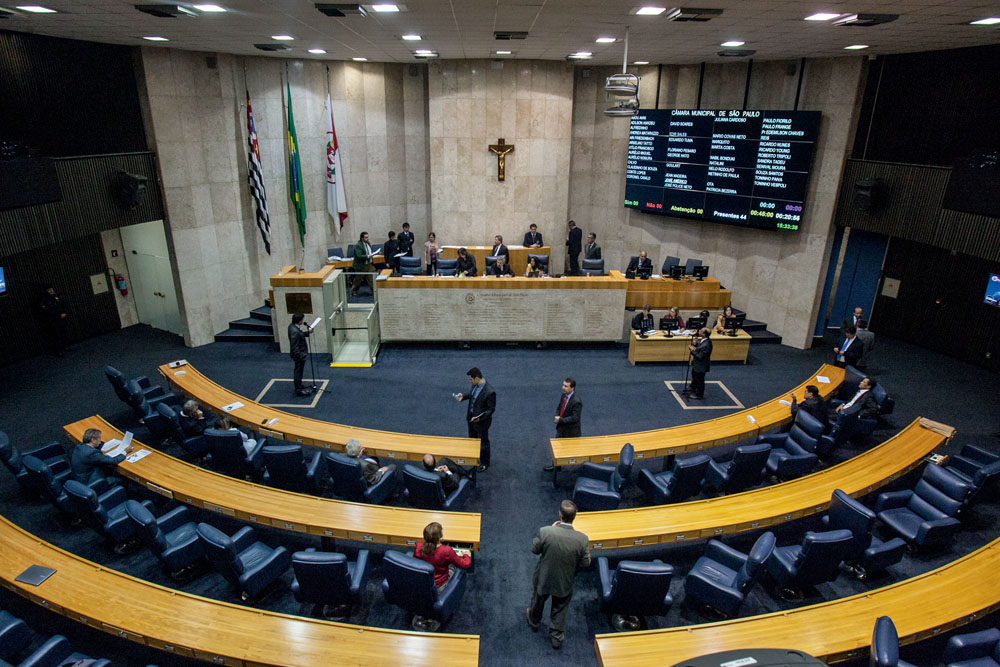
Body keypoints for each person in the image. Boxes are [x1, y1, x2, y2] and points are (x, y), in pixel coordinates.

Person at [526, 499, 591, 650]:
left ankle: (534, 622)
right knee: (560, 607)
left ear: (559, 515)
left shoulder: (546, 531)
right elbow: (586, 563)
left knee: (538, 599)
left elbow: (534, 549)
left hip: (544, 577)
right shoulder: (582, 539)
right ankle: (556, 637)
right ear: (574, 517)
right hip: (565, 580)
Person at [455, 367, 496, 472]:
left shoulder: (490, 392)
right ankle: (475, 458)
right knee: (472, 439)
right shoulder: (475, 385)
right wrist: (463, 396)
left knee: (483, 442)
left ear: (477, 378)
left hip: (481, 422)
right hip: (471, 418)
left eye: (470, 379)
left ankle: (484, 463)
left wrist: (479, 418)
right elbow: (472, 395)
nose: (470, 381)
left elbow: (490, 410)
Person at [414, 522, 471, 592]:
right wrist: (466, 555)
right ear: (440, 536)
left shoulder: (418, 546)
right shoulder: (446, 550)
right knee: (453, 565)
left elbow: (415, 562)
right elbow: (465, 564)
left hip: (423, 581)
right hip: (439, 585)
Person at [544, 378, 581, 474]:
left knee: (570, 452)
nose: (563, 388)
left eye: (566, 386)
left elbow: (575, 418)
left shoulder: (577, 402)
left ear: (572, 388)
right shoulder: (564, 395)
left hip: (570, 431)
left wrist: (560, 420)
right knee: (556, 447)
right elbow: (559, 407)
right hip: (561, 427)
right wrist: (557, 415)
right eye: (563, 385)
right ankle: (556, 466)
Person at [39, 284, 69, 355]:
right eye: (49, 290)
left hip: (62, 318)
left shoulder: (57, 296)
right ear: (46, 291)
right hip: (54, 320)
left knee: (64, 333)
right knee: (56, 336)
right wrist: (59, 315)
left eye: (51, 289)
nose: (51, 291)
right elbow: (48, 310)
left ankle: (65, 347)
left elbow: (64, 304)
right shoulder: (45, 300)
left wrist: (64, 312)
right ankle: (58, 351)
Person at [288, 313, 313, 397]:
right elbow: (294, 347)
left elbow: (300, 335)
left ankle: (299, 385)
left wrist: (307, 332)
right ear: (299, 320)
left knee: (299, 371)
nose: (303, 321)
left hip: (299, 354)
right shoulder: (294, 332)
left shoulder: (292, 326)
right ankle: (298, 389)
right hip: (298, 355)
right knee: (298, 371)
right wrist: (301, 355)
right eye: (302, 319)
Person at [688, 327, 713, 399]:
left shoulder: (706, 345)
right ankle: (693, 387)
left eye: (701, 331)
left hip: (701, 365)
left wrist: (692, 350)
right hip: (697, 365)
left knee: (700, 380)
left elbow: (700, 357)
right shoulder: (704, 340)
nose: (699, 332)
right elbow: (699, 347)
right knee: (694, 376)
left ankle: (699, 395)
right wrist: (695, 343)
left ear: (704, 334)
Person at [350, 231, 375, 296]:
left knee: (371, 278)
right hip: (361, 265)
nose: (367, 239)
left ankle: (374, 290)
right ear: (362, 238)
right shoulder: (358, 245)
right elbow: (359, 256)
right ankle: (354, 290)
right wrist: (368, 256)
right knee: (358, 279)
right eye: (365, 237)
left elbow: (369, 251)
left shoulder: (368, 243)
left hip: (368, 264)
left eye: (367, 237)